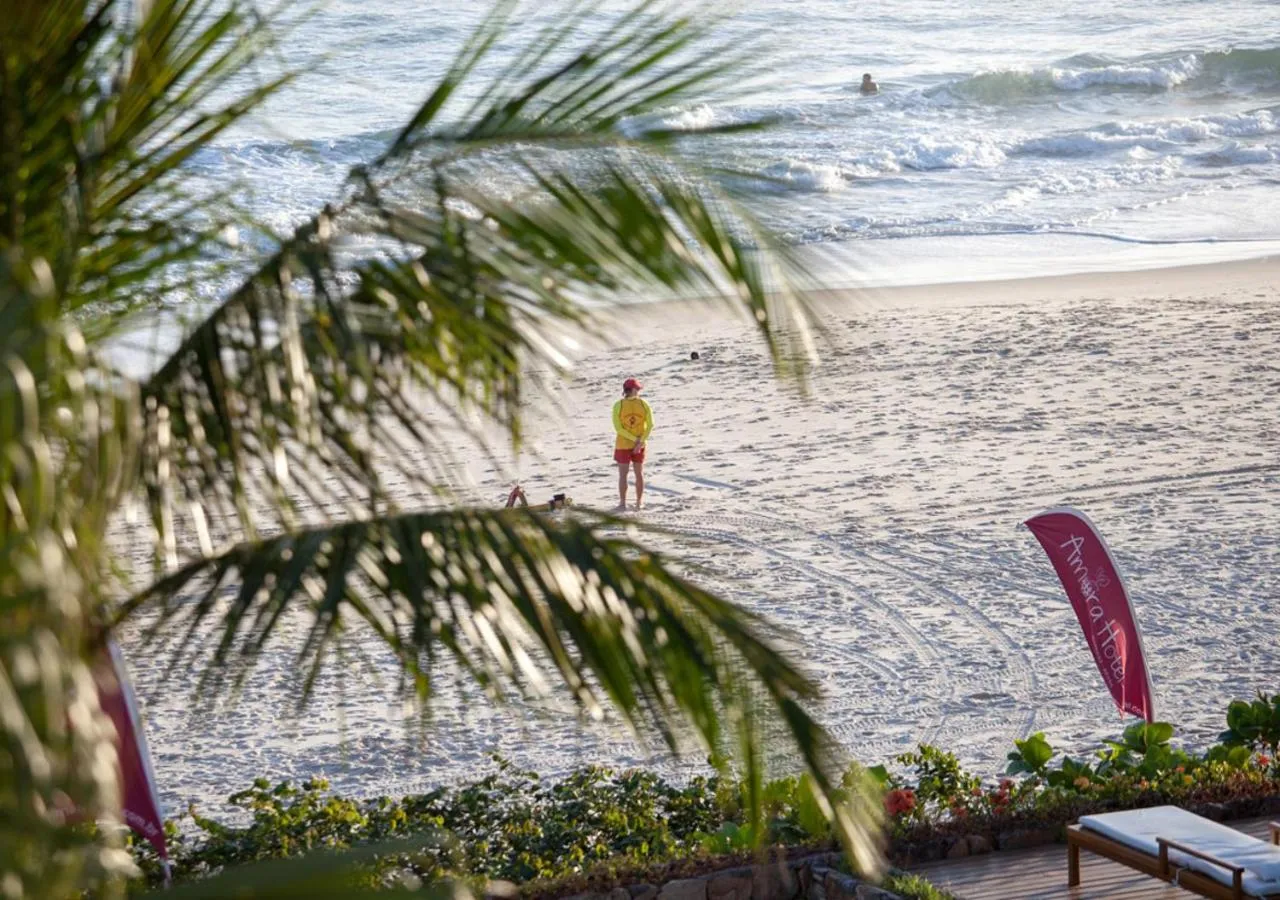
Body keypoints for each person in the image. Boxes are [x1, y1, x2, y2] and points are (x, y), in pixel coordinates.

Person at [612, 377, 654, 510]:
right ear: (632, 390)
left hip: (623, 444)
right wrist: (640, 441)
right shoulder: (643, 404)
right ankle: (639, 502)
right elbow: (650, 425)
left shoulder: (618, 405)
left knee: (623, 475)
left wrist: (636, 440)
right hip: (638, 444)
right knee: (638, 473)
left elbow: (619, 429)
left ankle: (623, 503)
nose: (639, 391)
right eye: (637, 389)